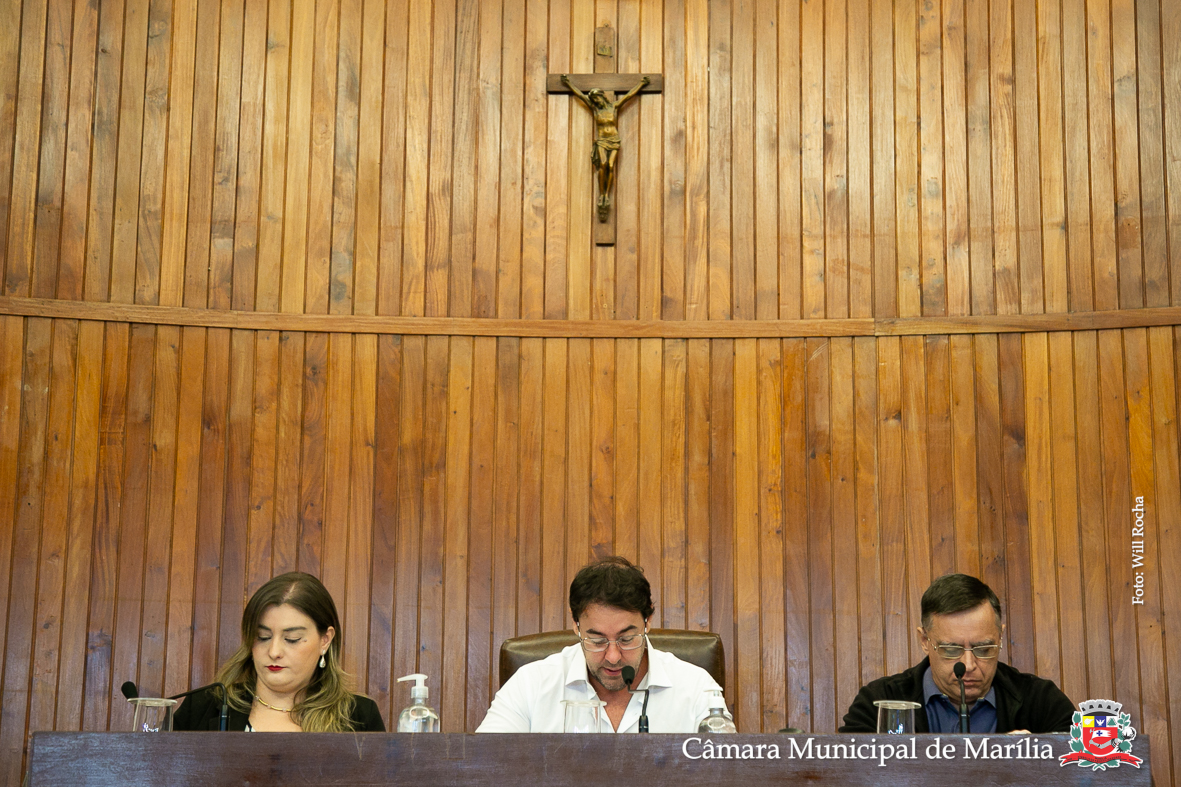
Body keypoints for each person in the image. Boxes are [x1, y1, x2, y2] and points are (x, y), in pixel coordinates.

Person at [476, 556, 729, 733]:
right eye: (597, 641)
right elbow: (485, 767)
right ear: (576, 625)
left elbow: (724, 774)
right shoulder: (530, 685)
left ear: (648, 622)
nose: (613, 656)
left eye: (626, 639)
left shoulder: (697, 689)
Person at [839, 573, 1074, 734]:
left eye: (984, 649)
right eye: (951, 650)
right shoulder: (880, 703)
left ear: (1000, 637)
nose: (969, 665)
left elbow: (1086, 772)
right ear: (925, 641)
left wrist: (1037, 761)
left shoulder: (1041, 701)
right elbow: (846, 775)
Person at [173, 572, 384, 731]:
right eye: (262, 637)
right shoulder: (202, 707)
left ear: (325, 640)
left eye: (292, 639)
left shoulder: (359, 718)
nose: (274, 652)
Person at [561, 74, 650, 221]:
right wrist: (568, 84)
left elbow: (628, 96)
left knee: (610, 165)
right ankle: (601, 194)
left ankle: (606, 194)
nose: (595, 101)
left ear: (601, 97)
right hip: (602, 141)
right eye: (593, 100)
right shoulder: (595, 110)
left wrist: (641, 84)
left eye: (596, 98)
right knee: (602, 164)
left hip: (614, 140)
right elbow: (581, 96)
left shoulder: (613, 107)